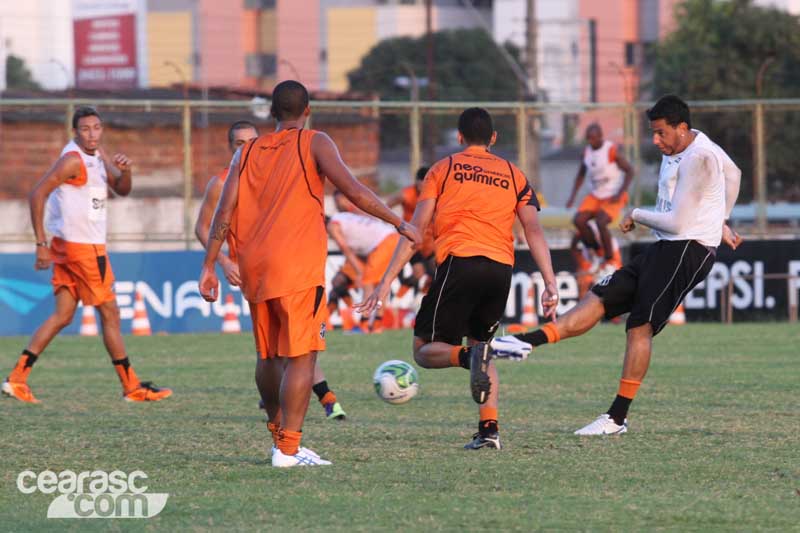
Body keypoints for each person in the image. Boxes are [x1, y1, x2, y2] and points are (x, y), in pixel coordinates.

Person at [198, 80, 420, 467]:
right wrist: (398, 222)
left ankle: (277, 434)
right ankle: (288, 450)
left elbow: (224, 211)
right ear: (308, 110)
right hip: (297, 266)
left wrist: (209, 264)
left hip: (255, 265)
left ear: (271, 113)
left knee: (268, 355)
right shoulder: (314, 141)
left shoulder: (246, 152)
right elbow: (353, 190)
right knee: (302, 356)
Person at [492, 95, 743, 435]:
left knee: (639, 327)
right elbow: (734, 173)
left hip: (688, 249)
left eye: (660, 133)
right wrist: (722, 219)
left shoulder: (697, 158)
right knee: (600, 297)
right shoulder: (693, 140)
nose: (655, 141)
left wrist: (636, 214)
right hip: (666, 247)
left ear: (681, 129)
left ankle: (616, 419)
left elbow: (680, 223)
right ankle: (525, 342)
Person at [358, 107, 558, 450]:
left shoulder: (443, 169)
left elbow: (416, 232)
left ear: (460, 137)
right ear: (493, 139)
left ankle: (468, 360)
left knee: (423, 350)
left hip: (460, 263)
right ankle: (489, 431)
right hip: (501, 269)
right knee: (482, 346)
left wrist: (385, 281)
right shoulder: (515, 174)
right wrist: (550, 282)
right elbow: (534, 229)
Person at [2, 106, 172, 403]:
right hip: (83, 249)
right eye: (85, 129)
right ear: (74, 132)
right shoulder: (72, 160)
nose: (92, 134)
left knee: (63, 315)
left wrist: (126, 170)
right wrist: (40, 243)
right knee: (110, 314)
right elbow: (37, 194)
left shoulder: (97, 156)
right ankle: (131, 387)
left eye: (96, 127)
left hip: (70, 246)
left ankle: (17, 378)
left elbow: (122, 189)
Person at [195, 120, 346, 420]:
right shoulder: (222, 182)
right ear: (231, 148)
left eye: (251, 140)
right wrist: (222, 262)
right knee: (279, 351)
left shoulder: (271, 174)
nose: (247, 146)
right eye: (240, 143)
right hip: (253, 272)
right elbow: (205, 227)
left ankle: (320, 400)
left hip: (284, 267)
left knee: (290, 347)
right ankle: (294, 419)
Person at [566, 123, 635, 276]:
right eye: (588, 139)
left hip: (613, 194)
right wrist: (572, 196)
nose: (591, 141)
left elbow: (630, 170)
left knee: (601, 221)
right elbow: (580, 175)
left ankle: (609, 259)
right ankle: (598, 252)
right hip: (596, 195)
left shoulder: (611, 150)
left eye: (593, 138)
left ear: (600, 136)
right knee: (579, 221)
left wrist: (621, 191)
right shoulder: (587, 152)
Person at [326, 191, 400, 334]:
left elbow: (346, 249)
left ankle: (365, 325)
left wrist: (359, 271)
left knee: (368, 282)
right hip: (384, 241)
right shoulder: (345, 216)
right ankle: (376, 324)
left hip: (383, 243)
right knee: (377, 283)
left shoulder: (333, 225)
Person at [387, 167, 437, 297]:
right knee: (418, 272)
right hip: (412, 240)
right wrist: (397, 224)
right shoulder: (407, 194)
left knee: (436, 272)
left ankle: (423, 299)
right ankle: (399, 297)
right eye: (422, 184)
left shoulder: (436, 195)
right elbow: (387, 206)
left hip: (429, 242)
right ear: (417, 182)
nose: (424, 188)